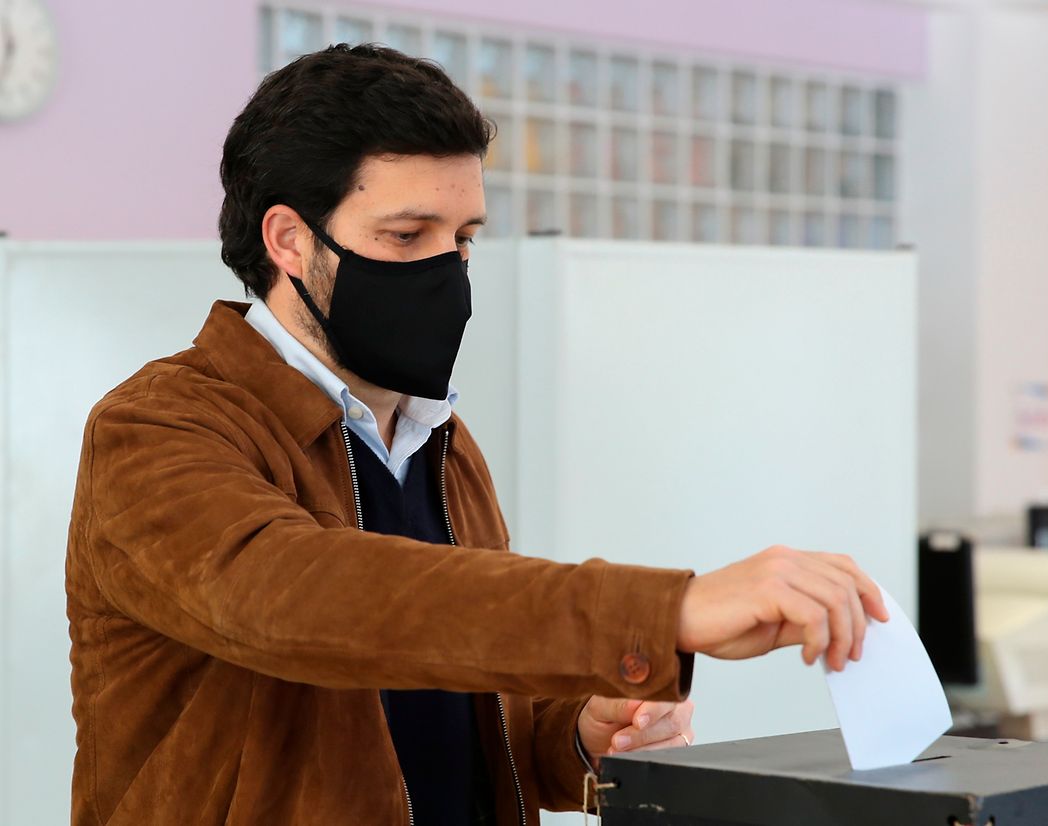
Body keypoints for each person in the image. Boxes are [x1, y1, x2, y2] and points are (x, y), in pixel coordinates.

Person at [65, 44, 888, 826]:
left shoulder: (439, 443)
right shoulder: (156, 429)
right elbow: (298, 600)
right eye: (406, 236)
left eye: (462, 239)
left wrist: (578, 735)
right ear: (288, 240)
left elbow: (463, 708)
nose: (446, 268)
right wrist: (665, 610)